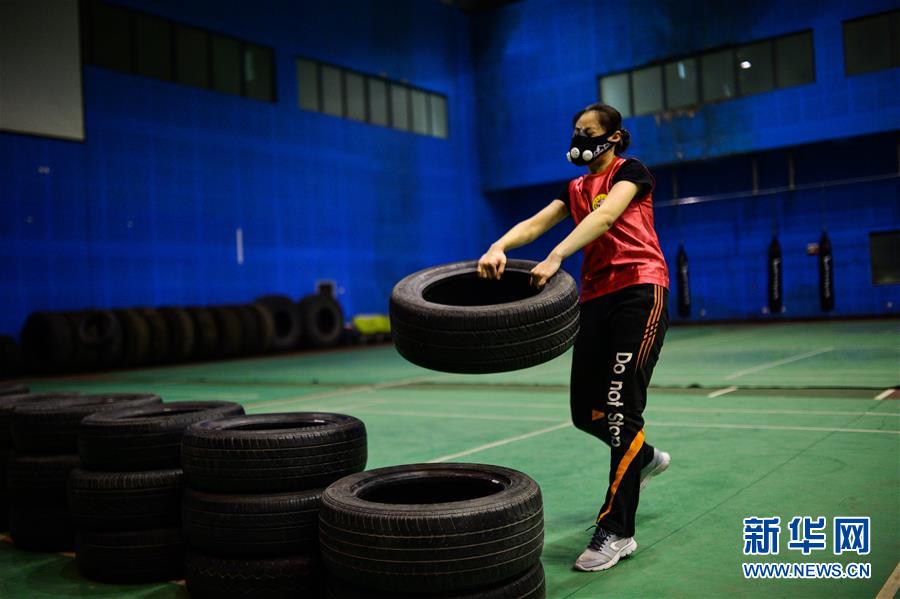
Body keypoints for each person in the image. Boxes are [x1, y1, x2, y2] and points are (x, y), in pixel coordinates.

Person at [476, 103, 671, 572]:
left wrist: (557, 254)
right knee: (586, 413)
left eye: (589, 131)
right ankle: (640, 456)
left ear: (613, 137)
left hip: (640, 292)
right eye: (576, 131)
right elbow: (536, 223)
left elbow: (603, 220)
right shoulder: (576, 187)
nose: (580, 138)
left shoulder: (631, 172)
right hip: (596, 300)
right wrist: (498, 245)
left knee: (623, 411)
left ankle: (617, 532)